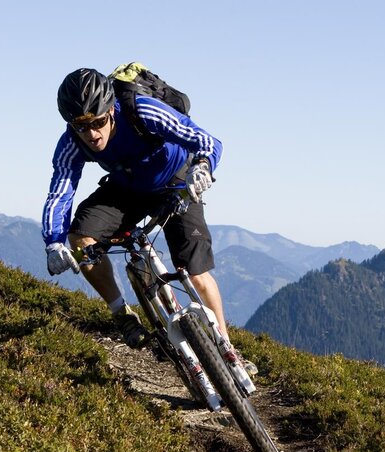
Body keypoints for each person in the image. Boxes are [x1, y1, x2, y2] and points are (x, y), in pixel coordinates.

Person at [41, 67, 244, 364]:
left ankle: (226, 346)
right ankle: (121, 314)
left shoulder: (143, 111)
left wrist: (203, 166)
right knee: (81, 237)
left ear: (111, 110)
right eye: (81, 126)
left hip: (177, 182)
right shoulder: (71, 142)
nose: (92, 133)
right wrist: (53, 243)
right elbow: (61, 191)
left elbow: (206, 140)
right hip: (127, 189)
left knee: (195, 272)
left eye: (98, 122)